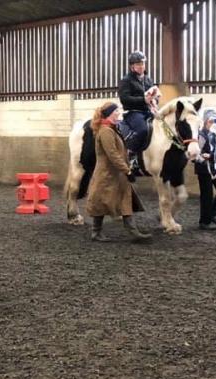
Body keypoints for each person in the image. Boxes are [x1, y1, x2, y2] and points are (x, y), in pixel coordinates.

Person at [85, 102, 151, 243]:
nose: (119, 113)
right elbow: (113, 154)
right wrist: (127, 171)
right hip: (107, 175)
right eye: (116, 111)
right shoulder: (106, 131)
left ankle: (134, 232)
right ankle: (96, 232)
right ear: (110, 113)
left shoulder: (111, 129)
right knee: (101, 203)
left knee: (124, 201)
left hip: (116, 174)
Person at [118, 50, 159, 172]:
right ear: (132, 66)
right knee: (142, 130)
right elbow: (124, 98)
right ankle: (131, 156)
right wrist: (144, 100)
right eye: (138, 64)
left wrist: (155, 100)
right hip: (133, 112)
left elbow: (153, 95)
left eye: (143, 64)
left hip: (148, 111)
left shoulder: (148, 80)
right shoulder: (126, 80)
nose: (141, 66)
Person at [195, 109, 216, 230]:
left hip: (214, 168)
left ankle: (211, 214)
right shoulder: (200, 135)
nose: (212, 123)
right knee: (207, 195)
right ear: (206, 120)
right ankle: (204, 221)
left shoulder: (213, 135)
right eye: (210, 120)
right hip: (204, 169)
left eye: (213, 120)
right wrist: (203, 157)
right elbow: (195, 154)